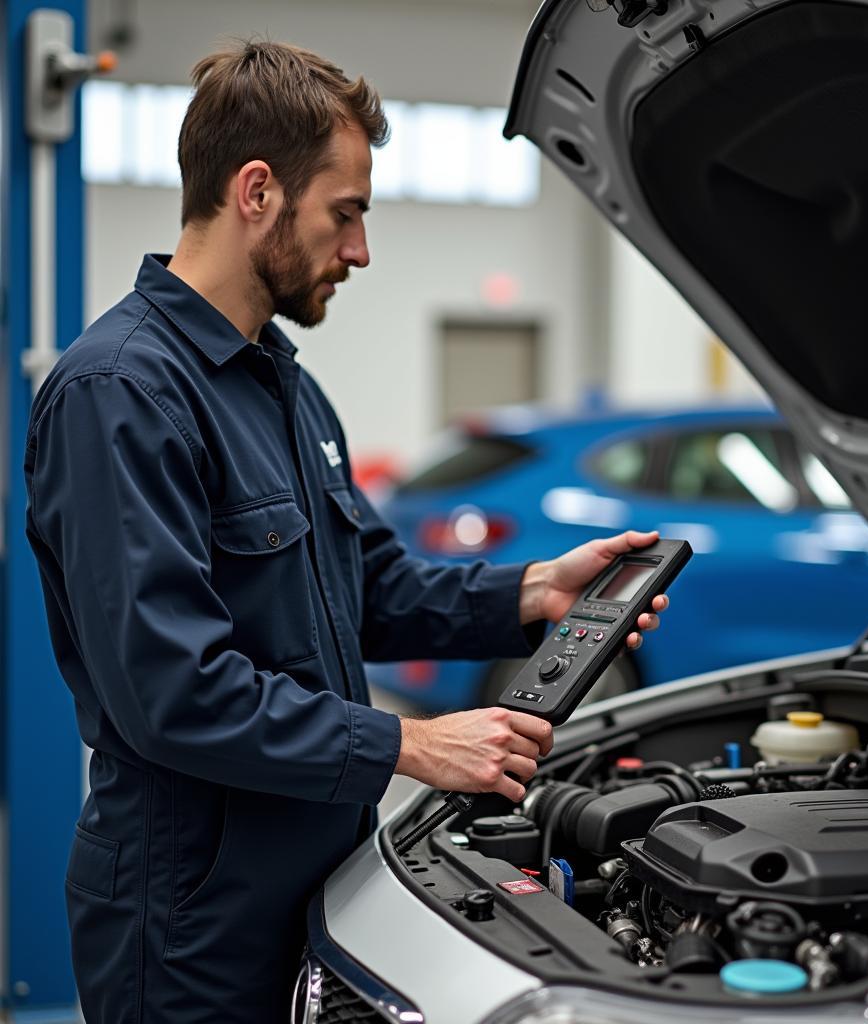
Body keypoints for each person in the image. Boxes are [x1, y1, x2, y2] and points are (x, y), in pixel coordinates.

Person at [24, 40, 670, 1023]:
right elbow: (170, 690)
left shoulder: (285, 384)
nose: (360, 251)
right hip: (192, 916)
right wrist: (410, 745)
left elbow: (364, 587)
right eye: (347, 212)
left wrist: (534, 590)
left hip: (320, 881)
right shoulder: (121, 393)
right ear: (256, 192)